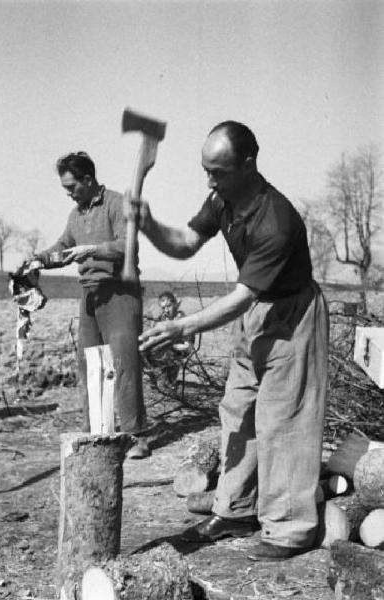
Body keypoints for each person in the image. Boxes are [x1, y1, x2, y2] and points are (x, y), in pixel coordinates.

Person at [137, 121, 329, 559]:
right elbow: (186, 242)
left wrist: (182, 327)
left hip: (293, 315)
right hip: (257, 314)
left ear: (248, 164)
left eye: (218, 171)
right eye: (206, 170)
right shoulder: (222, 198)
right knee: (238, 409)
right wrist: (149, 225)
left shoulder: (276, 220)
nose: (209, 180)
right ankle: (238, 508)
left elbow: (242, 297)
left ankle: (289, 529)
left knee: (284, 420)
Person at [33, 152, 149, 459]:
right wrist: (40, 259)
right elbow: (62, 247)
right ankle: (95, 431)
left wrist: (93, 250)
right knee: (89, 365)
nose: (68, 193)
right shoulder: (76, 214)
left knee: (125, 363)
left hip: (120, 291)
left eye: (71, 186)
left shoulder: (115, 203)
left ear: (88, 179)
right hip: (89, 293)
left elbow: (128, 244)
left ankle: (135, 435)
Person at [143, 291, 194, 386]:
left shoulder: (182, 320)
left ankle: (165, 376)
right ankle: (156, 373)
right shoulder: (164, 318)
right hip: (166, 352)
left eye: (169, 306)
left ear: (175, 305)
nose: (166, 310)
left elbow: (188, 346)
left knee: (165, 384)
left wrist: (169, 345)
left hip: (177, 353)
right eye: (163, 308)